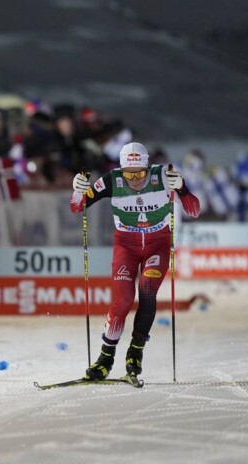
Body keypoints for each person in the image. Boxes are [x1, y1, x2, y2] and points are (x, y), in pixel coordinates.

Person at [70, 142, 201, 380]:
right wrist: (78, 191)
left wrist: (181, 188)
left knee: (147, 290)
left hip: (157, 244)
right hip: (126, 245)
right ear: (121, 170)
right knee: (122, 301)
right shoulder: (112, 180)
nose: (135, 180)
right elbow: (77, 208)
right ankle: (105, 358)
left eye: (140, 174)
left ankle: (135, 352)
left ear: (147, 167)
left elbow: (194, 210)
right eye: (129, 175)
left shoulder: (163, 176)